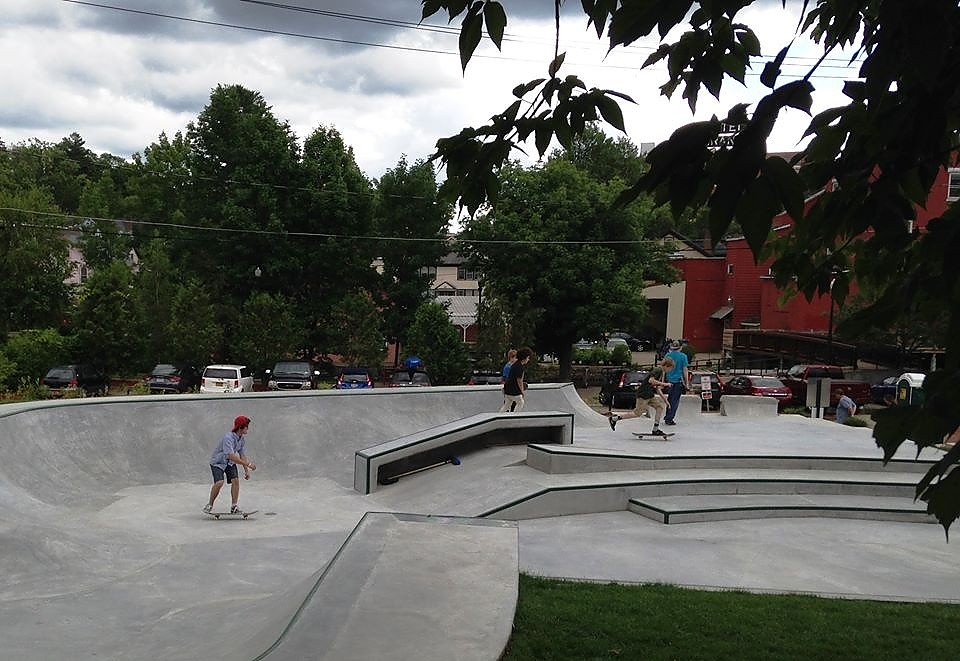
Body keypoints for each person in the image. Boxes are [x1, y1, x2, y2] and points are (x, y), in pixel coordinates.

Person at [203, 415, 257, 514]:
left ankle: (234, 506)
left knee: (236, 481)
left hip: (229, 463)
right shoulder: (228, 438)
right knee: (219, 483)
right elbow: (231, 456)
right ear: (241, 427)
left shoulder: (241, 440)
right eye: (246, 427)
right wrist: (248, 464)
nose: (248, 429)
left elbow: (242, 455)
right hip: (218, 462)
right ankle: (210, 504)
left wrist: (246, 471)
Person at [607, 357, 674, 435]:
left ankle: (655, 429)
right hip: (643, 394)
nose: (670, 371)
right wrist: (665, 384)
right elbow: (651, 380)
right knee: (637, 413)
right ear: (667, 366)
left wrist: (666, 401)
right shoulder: (658, 370)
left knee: (659, 408)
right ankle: (614, 419)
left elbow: (657, 388)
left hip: (649, 395)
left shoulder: (661, 372)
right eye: (671, 369)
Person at [662, 341, 691, 426]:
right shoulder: (683, 356)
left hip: (668, 381)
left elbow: (663, 369)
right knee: (675, 401)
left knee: (669, 399)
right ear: (680, 348)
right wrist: (687, 383)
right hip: (678, 381)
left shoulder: (667, 355)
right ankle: (669, 418)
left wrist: (663, 382)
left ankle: (667, 416)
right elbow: (685, 370)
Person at [500, 347, 532, 412]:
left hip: (507, 389)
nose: (528, 359)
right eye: (528, 358)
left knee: (507, 405)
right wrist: (522, 392)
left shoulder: (515, 364)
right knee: (521, 402)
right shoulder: (520, 367)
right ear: (524, 358)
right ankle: (515, 415)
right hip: (513, 391)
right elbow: (519, 381)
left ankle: (499, 416)